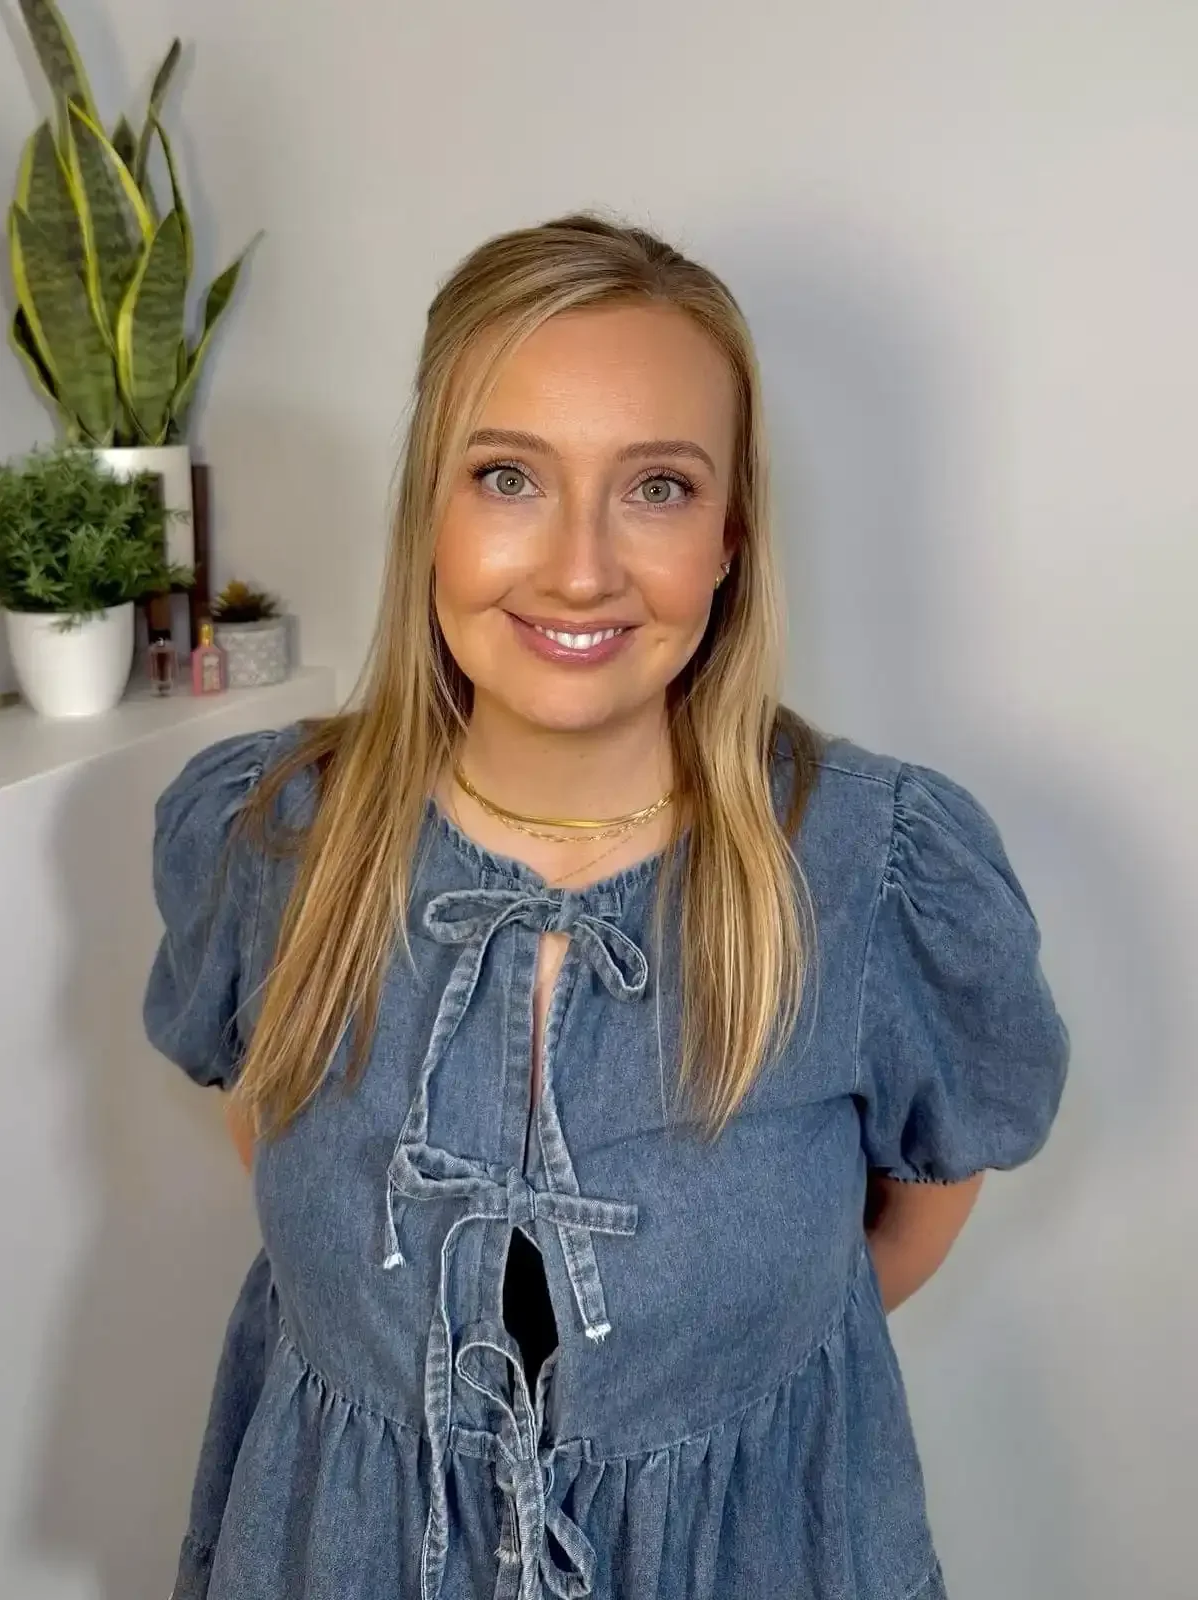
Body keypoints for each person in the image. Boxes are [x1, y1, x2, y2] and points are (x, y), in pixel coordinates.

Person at [144, 212, 1069, 1600]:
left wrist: (701, 1376)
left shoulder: (876, 871)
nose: (580, 568)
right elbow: (268, 1130)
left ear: (730, 538)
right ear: (431, 512)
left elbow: (920, 1207)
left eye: (656, 488)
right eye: (509, 476)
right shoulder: (280, 839)